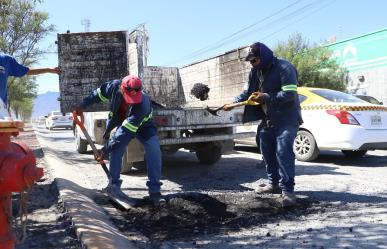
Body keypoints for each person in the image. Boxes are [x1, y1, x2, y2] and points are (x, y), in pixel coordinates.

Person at [223, 42, 302, 207]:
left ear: (264, 57)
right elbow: (247, 93)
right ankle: (274, 184)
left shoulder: (284, 68)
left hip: (286, 119)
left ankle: (288, 191)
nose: (251, 64)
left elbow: (289, 94)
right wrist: (233, 102)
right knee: (266, 149)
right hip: (268, 119)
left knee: (283, 151)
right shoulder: (255, 72)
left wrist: (265, 97)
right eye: (250, 61)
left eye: (254, 60)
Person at [74, 75, 165, 205]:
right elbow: (96, 95)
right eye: (130, 97)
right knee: (116, 149)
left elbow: (123, 133)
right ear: (122, 89)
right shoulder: (113, 87)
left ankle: (155, 192)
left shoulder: (142, 103)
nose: (132, 101)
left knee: (154, 148)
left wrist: (104, 150)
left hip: (144, 126)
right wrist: (82, 105)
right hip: (123, 123)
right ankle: (113, 186)